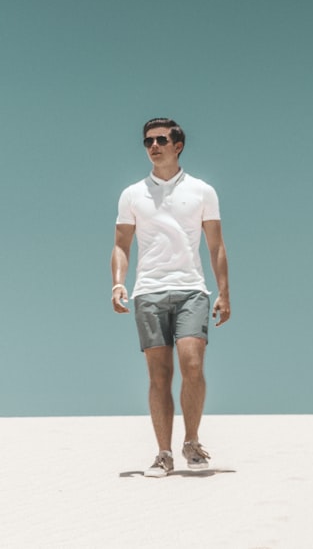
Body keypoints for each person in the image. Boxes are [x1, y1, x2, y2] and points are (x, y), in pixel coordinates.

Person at [110, 118, 231, 477]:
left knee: (192, 365)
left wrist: (224, 292)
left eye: (161, 139)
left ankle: (191, 440)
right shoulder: (132, 194)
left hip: (192, 289)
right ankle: (163, 453)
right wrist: (118, 283)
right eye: (148, 141)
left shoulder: (202, 191)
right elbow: (120, 244)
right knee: (159, 375)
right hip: (148, 291)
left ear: (178, 145)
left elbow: (216, 244)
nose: (153, 146)